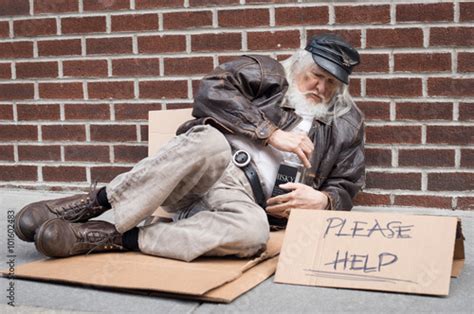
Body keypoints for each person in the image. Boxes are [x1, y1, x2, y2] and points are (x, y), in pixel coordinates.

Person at [14, 34, 365, 262]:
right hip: (198, 171)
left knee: (254, 234)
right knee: (211, 141)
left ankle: (106, 237)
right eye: (316, 74)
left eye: (332, 83)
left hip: (241, 201)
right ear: (300, 64)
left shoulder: (346, 124)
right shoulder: (269, 73)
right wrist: (269, 132)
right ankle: (93, 204)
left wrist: (325, 200)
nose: (320, 86)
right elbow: (211, 91)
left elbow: (346, 183)